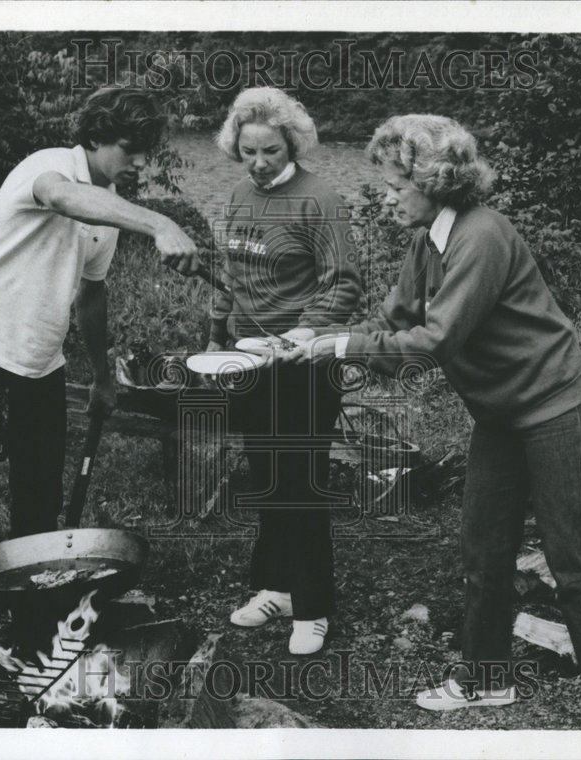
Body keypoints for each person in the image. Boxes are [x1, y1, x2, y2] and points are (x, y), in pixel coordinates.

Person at [279, 115, 581, 728]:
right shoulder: (427, 243)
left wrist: (339, 350)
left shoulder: (481, 237)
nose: (387, 196)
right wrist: (317, 337)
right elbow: (394, 322)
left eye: (395, 185)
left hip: (554, 404)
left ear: (435, 182)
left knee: (572, 557)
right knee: (485, 547)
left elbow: (435, 342)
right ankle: (486, 680)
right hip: (501, 413)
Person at [0, 87, 198, 636]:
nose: (139, 160)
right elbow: (63, 197)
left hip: (38, 360)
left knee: (39, 501)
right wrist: (161, 223)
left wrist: (101, 374)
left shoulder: (109, 210)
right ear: (94, 136)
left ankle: (32, 619)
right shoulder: (48, 167)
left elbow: (90, 295)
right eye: (128, 146)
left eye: (145, 149)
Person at [209, 87, 361, 655]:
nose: (259, 162)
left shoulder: (318, 199)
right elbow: (228, 280)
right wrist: (215, 340)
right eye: (248, 151)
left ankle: (314, 606)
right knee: (266, 477)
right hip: (250, 362)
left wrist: (305, 333)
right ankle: (276, 587)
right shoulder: (236, 198)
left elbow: (343, 281)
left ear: (291, 143)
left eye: (270, 150)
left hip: (302, 363)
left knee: (301, 484)